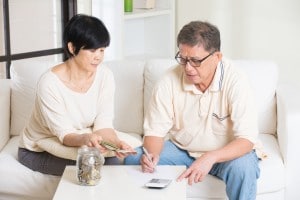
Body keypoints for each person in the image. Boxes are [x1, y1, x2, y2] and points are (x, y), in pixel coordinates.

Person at [124, 21, 263, 200]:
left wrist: (210, 157)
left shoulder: (236, 81)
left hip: (226, 154)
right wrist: (152, 156)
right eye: (183, 59)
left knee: (243, 168)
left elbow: (246, 140)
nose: (187, 67)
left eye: (195, 61)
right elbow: (155, 133)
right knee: (133, 161)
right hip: (184, 151)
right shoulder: (168, 81)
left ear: (217, 57)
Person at [18, 14, 135, 176]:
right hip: (39, 150)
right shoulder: (49, 83)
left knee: (112, 161)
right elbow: (65, 135)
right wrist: (86, 139)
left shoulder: (105, 75)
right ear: (72, 48)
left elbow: (104, 124)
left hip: (76, 141)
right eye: (92, 50)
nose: (99, 56)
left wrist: (117, 143)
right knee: (94, 168)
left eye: (102, 50)